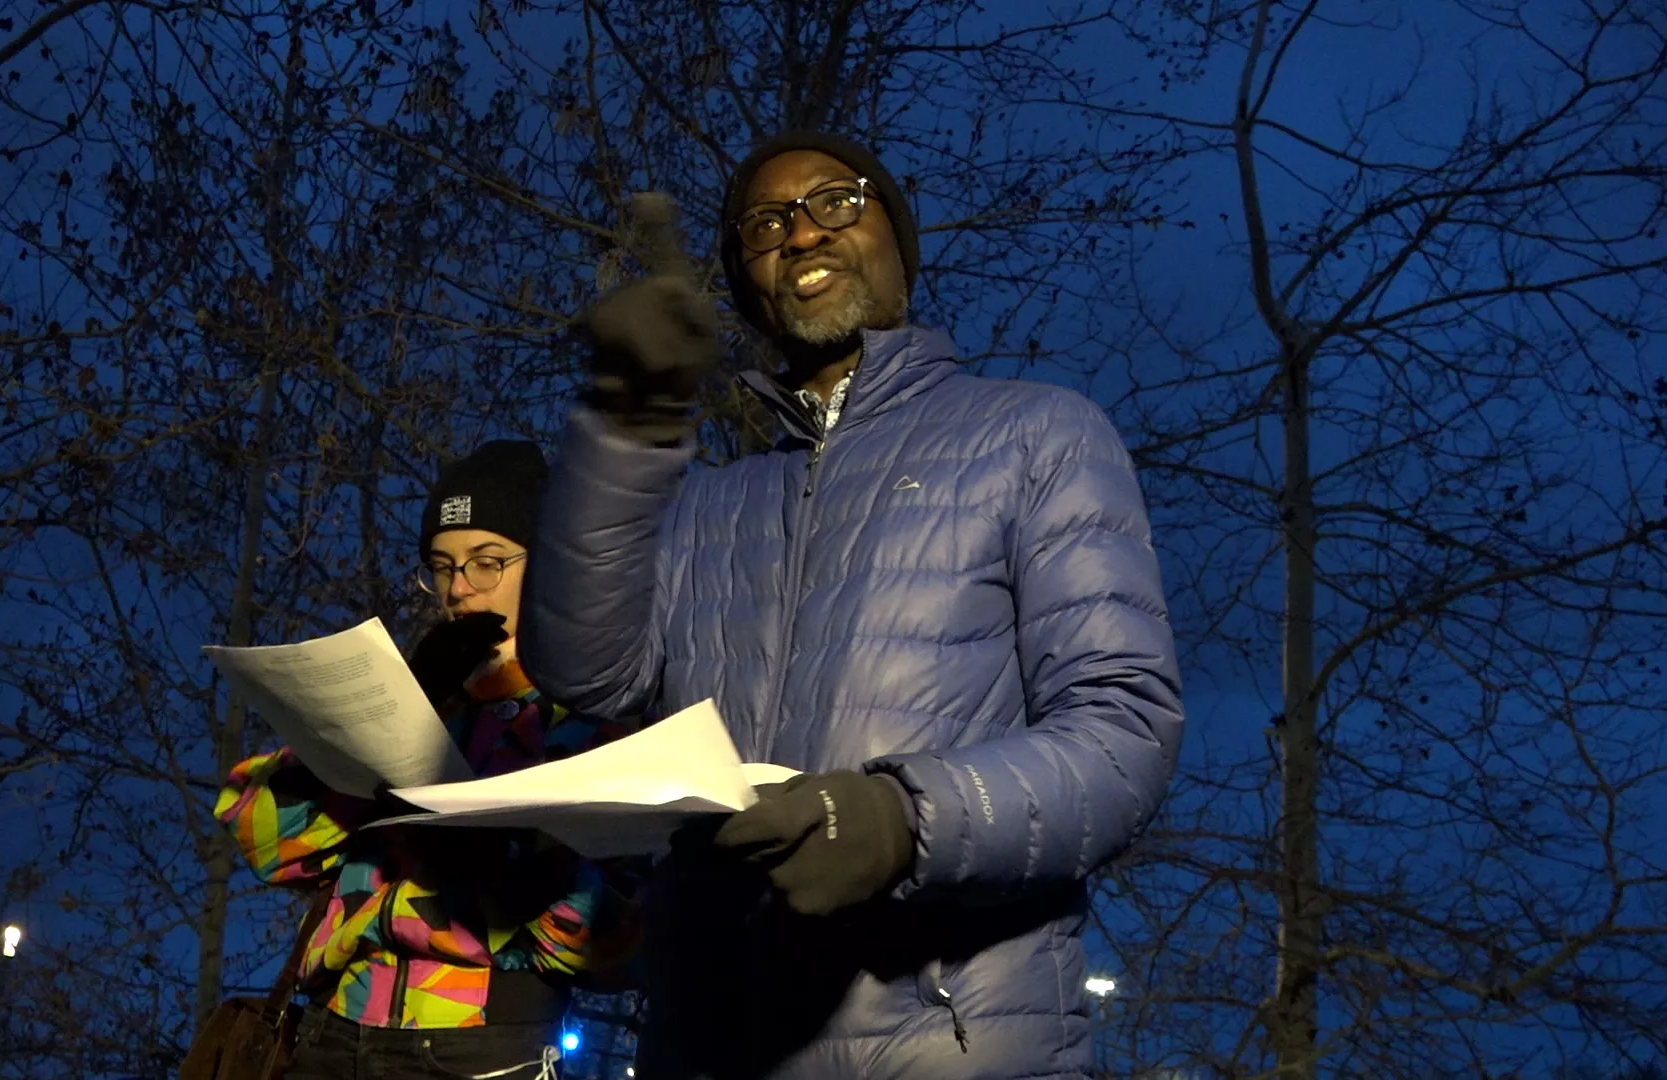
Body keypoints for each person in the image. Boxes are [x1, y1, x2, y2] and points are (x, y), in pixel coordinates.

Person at [518, 131, 1185, 1080]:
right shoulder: (706, 500)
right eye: (765, 223)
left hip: (953, 1043)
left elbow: (1124, 734)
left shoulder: (1037, 434)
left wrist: (904, 819)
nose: (799, 233)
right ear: (750, 283)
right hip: (715, 1041)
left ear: (897, 243)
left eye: (836, 201)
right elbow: (584, 671)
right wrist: (626, 429)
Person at [215, 440, 635, 1080]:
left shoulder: (592, 713)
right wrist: (381, 731)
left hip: (479, 1042)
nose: (458, 588)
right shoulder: (425, 692)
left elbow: (615, 936)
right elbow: (268, 842)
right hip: (334, 1025)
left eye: (487, 563)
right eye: (441, 567)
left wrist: (504, 860)